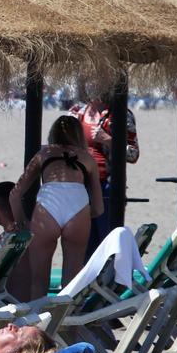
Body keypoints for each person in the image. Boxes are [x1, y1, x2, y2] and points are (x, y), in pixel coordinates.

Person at [10, 115, 103, 301]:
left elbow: (15, 193)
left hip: (48, 206)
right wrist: (84, 214)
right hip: (78, 205)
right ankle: (66, 325)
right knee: (72, 281)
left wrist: (22, 222)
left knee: (38, 280)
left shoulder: (44, 153)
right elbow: (99, 207)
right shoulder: (87, 158)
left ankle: (36, 327)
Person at [70, 97, 139, 255]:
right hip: (79, 186)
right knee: (82, 242)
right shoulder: (76, 112)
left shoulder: (121, 115)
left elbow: (133, 154)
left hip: (107, 186)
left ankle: (107, 278)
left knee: (107, 240)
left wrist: (108, 140)